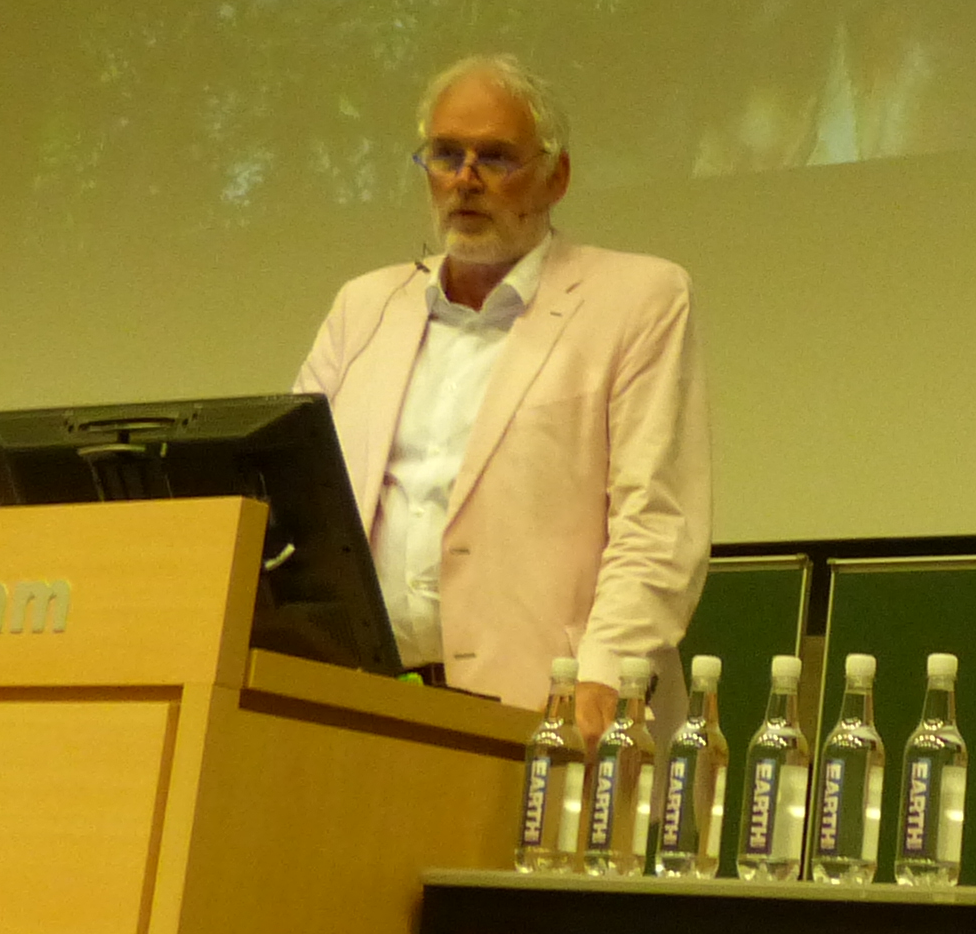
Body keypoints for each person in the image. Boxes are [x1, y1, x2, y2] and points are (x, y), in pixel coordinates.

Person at [293, 55, 709, 741]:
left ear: (556, 177)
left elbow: (656, 520)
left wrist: (605, 679)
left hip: (550, 709)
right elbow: (292, 497)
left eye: (495, 158)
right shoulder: (364, 306)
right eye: (445, 154)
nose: (465, 179)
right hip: (362, 703)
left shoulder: (638, 299)